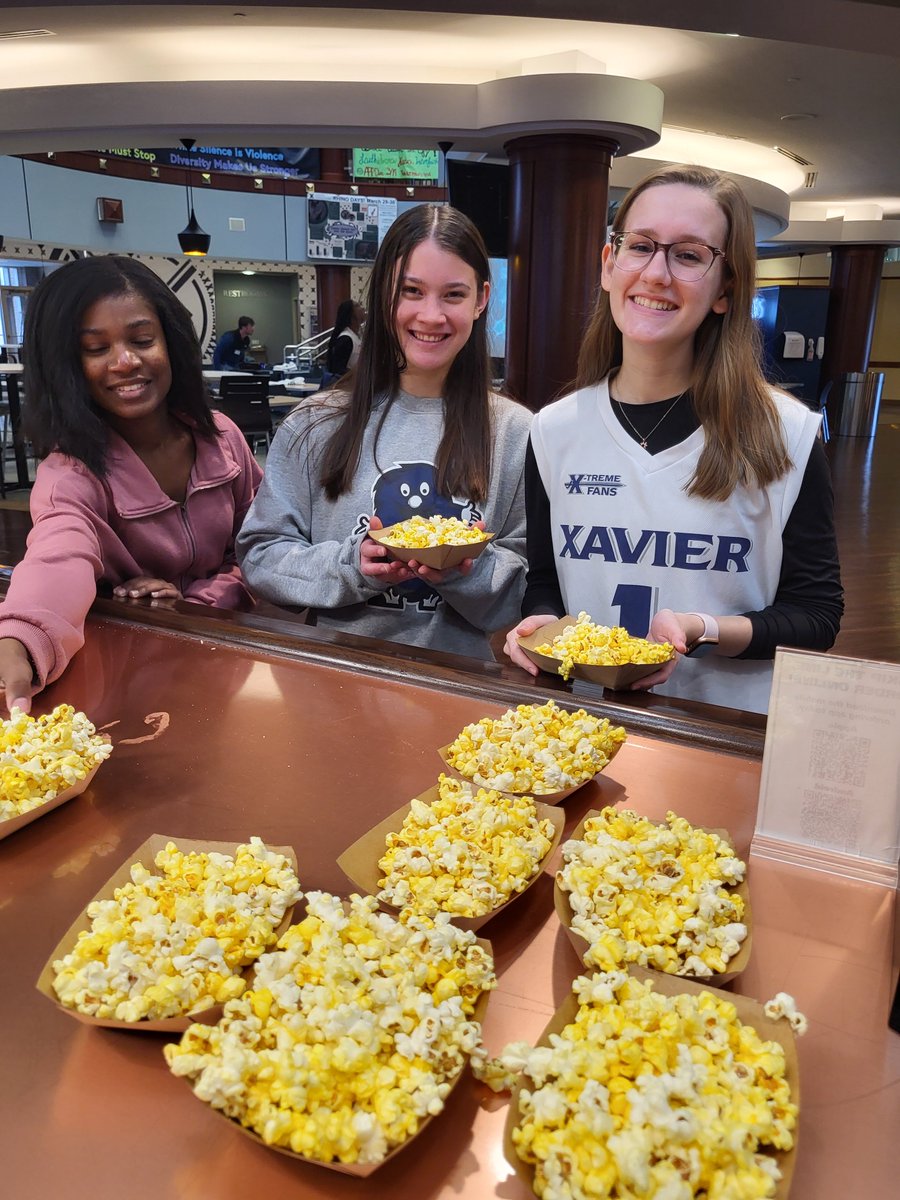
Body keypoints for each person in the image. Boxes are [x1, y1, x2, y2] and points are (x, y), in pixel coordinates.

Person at [504, 163, 843, 714]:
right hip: (584, 728)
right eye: (640, 246)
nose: (657, 273)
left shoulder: (787, 433)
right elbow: (546, 579)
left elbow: (817, 615)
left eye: (688, 255)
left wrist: (703, 628)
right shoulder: (554, 429)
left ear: (725, 289)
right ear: (609, 265)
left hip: (722, 732)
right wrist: (540, 620)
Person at [236, 204, 530, 658]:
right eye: (411, 291)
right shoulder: (315, 423)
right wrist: (354, 565)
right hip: (330, 680)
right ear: (383, 295)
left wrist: (461, 567)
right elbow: (260, 556)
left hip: (460, 692)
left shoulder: (516, 433)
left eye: (453, 295)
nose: (431, 316)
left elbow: (524, 592)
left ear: (481, 299)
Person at [0, 255, 262, 714]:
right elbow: (57, 558)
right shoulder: (72, 473)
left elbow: (263, 548)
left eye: (142, 340)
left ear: (171, 342)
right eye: (96, 349)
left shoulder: (222, 437)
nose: (125, 361)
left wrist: (200, 599)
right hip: (128, 692)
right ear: (66, 364)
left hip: (229, 668)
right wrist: (20, 638)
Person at [322, 299, 365, 385]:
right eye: (357, 306)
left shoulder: (356, 336)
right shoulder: (346, 339)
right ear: (351, 315)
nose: (363, 308)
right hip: (345, 387)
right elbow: (338, 370)